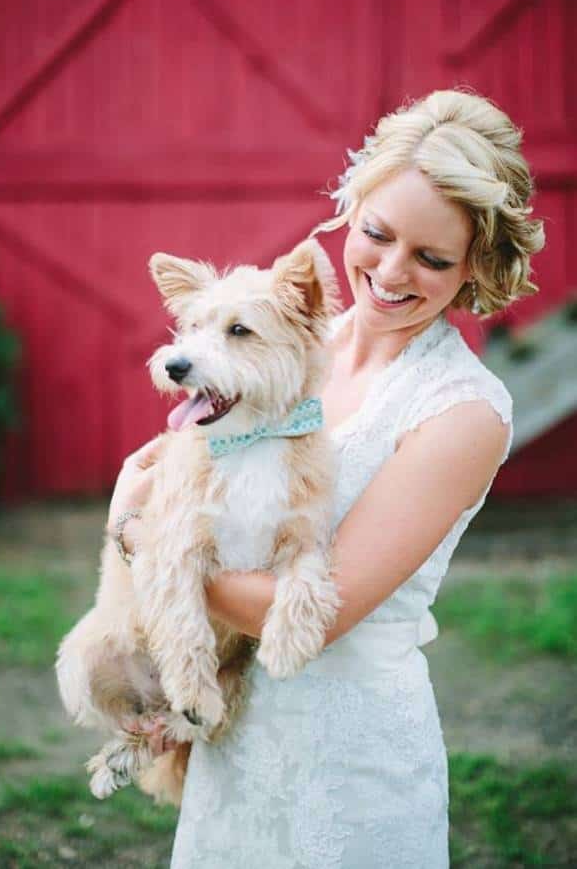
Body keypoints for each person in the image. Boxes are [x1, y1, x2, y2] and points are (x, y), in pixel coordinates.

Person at [108, 89, 545, 868]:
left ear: (476, 264)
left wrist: (142, 541)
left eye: (432, 258)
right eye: (375, 233)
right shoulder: (286, 333)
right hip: (235, 727)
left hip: (350, 758)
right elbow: (178, 478)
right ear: (349, 206)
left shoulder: (462, 412)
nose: (388, 271)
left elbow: (311, 612)